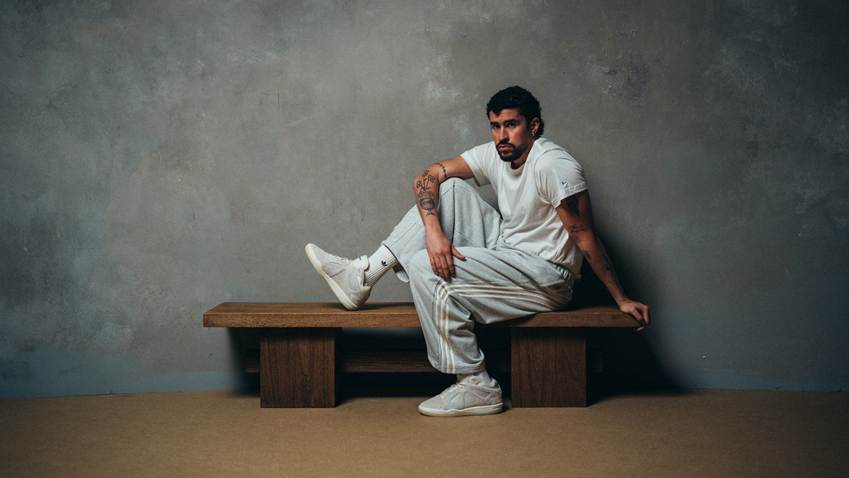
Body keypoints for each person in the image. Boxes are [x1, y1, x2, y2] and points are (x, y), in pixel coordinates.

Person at [305, 86, 650, 417]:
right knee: (450, 188)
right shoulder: (496, 153)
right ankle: (364, 276)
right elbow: (428, 175)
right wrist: (434, 232)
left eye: (511, 125)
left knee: (426, 266)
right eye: (495, 126)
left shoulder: (553, 165)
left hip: (546, 274)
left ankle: (475, 383)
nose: (502, 135)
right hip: (507, 249)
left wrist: (620, 299)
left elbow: (584, 235)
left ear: (533, 126)